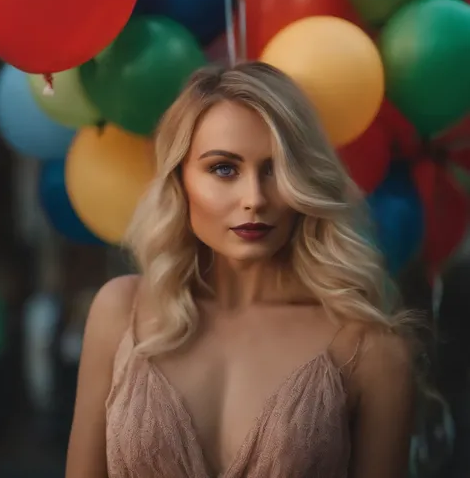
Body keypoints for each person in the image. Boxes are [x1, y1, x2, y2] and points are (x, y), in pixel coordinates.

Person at [66, 61, 416, 478]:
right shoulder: (121, 311)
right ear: (180, 178)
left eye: (275, 169)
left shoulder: (369, 349)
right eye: (224, 169)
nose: (254, 198)